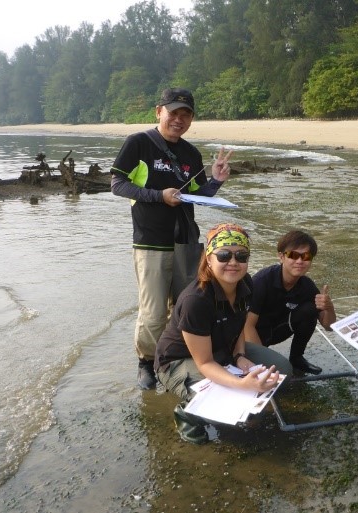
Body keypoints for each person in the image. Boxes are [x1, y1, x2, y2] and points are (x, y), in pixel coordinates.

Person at [111, 87, 234, 390]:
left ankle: (172, 358)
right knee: (152, 314)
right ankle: (145, 362)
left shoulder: (191, 154)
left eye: (186, 114)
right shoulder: (139, 143)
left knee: (184, 307)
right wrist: (157, 196)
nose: (179, 119)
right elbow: (117, 184)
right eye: (173, 113)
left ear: (191, 119)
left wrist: (216, 181)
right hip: (150, 242)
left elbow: (198, 198)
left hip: (185, 243)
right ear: (159, 112)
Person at [155, 223, 293, 444]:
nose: (233, 262)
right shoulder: (196, 301)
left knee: (283, 371)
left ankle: (234, 388)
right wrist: (241, 384)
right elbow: (205, 363)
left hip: (224, 349)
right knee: (234, 396)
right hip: (180, 360)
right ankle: (188, 414)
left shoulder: (245, 284)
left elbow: (238, 326)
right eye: (224, 255)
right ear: (209, 259)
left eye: (241, 256)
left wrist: (240, 357)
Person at [244, 230, 336, 375]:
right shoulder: (262, 281)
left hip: (278, 330)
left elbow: (329, 327)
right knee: (278, 372)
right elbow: (247, 326)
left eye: (306, 256)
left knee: (310, 309)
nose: (300, 261)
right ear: (281, 256)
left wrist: (329, 308)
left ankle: (297, 358)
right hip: (254, 334)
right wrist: (261, 363)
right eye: (293, 255)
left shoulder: (307, 286)